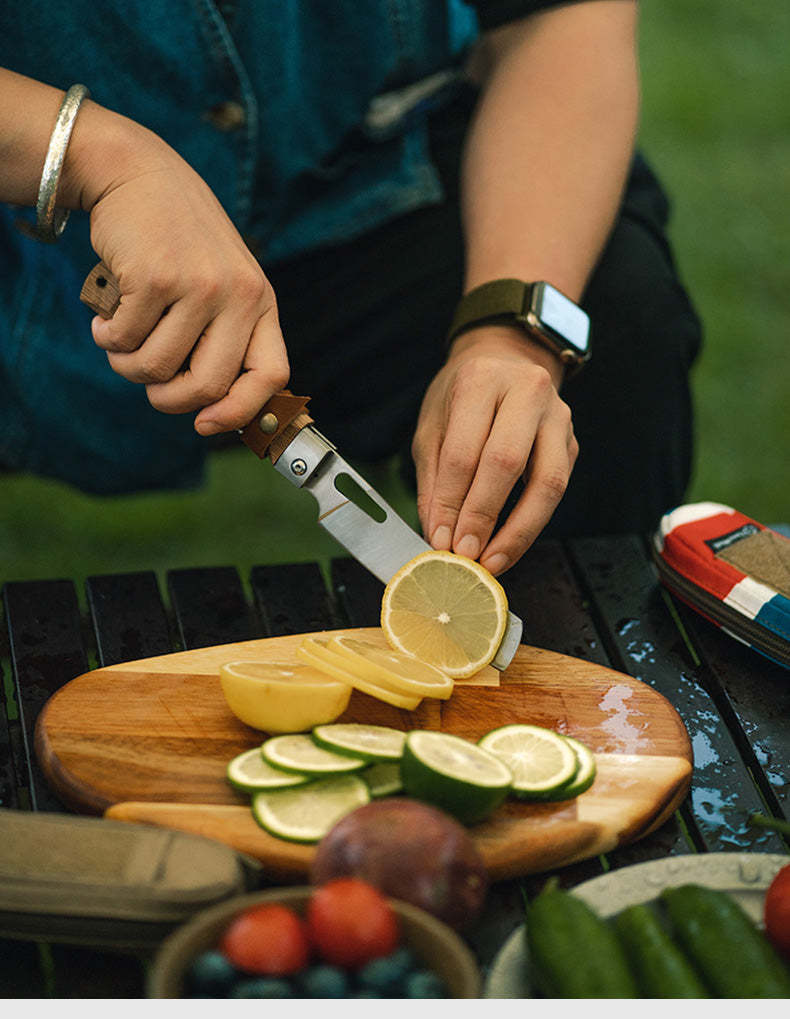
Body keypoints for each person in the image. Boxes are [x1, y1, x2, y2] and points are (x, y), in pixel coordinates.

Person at [0, 0, 701, 577]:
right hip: (30, 244)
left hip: (357, 182)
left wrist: (508, 333)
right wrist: (102, 161)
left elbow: (556, 17)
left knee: (617, 320)